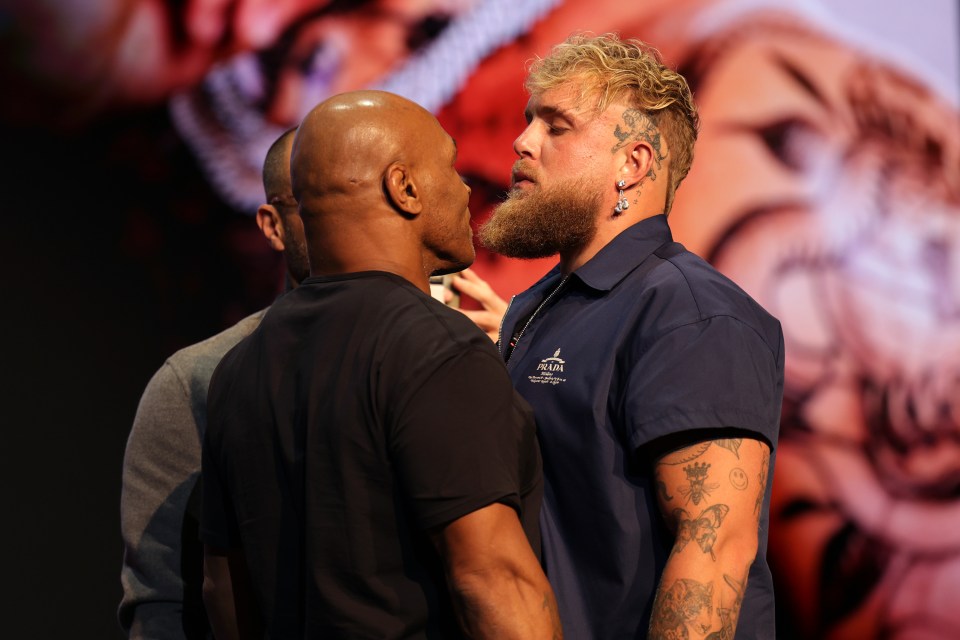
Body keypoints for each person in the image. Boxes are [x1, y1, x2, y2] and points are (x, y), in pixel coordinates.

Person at [200, 89, 561, 639]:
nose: (465, 188)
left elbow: (223, 590)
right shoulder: (438, 350)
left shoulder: (239, 367)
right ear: (405, 188)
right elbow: (495, 582)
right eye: (448, 166)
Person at [477, 33, 785, 638]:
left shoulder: (693, 317)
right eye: (528, 120)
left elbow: (714, 549)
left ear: (633, 163)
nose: (522, 142)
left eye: (556, 126)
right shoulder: (534, 307)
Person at [118, 127, 307, 639]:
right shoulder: (197, 380)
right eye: (321, 197)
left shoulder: (464, 359)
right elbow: (162, 602)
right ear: (274, 225)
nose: (357, 218)